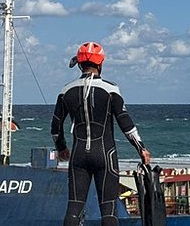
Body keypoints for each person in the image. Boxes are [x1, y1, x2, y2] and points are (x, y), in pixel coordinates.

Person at [52, 42, 151, 226]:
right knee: (108, 209)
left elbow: (55, 127)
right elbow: (126, 124)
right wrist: (141, 149)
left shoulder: (66, 91)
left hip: (78, 155)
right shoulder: (111, 89)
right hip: (105, 154)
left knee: (74, 208)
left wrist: (62, 148)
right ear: (101, 64)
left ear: (79, 64)